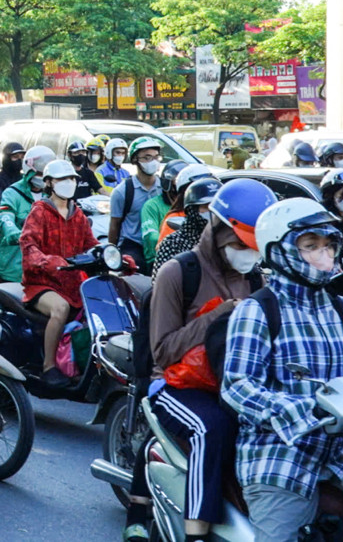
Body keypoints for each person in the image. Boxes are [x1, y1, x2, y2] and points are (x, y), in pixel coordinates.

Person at [223, 198, 343, 542]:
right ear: (280, 252)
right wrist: (301, 409)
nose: (323, 255)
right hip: (281, 454)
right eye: (310, 246)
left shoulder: (342, 309)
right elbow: (238, 385)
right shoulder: (257, 311)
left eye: (328, 245)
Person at [123, 178, 276, 542]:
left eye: (253, 247)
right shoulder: (179, 272)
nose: (247, 254)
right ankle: (195, 531)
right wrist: (217, 315)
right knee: (212, 427)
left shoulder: (254, 277)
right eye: (240, 244)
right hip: (176, 382)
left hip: (229, 380)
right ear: (220, 233)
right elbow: (163, 349)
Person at [20, 159, 99, 388]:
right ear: (49, 183)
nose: (69, 183)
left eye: (72, 178)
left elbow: (90, 244)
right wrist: (46, 261)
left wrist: (112, 256)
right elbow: (28, 244)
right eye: (62, 179)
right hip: (41, 284)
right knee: (60, 308)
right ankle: (49, 367)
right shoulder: (40, 212)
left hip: (72, 283)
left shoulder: (78, 214)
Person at [0, 145, 55, 282]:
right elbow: (5, 216)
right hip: (16, 258)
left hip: (47, 257)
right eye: (39, 173)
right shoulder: (13, 193)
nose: (43, 177)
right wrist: (15, 233)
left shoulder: (52, 194)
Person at [108, 137, 164, 272]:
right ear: (135, 160)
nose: (153, 162)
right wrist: (111, 255)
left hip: (159, 242)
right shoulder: (122, 192)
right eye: (147, 158)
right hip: (133, 244)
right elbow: (114, 224)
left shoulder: (165, 188)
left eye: (156, 157)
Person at [153, 177, 221, 277]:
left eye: (216, 207)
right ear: (192, 210)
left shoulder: (228, 242)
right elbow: (160, 283)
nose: (212, 212)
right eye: (206, 207)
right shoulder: (172, 243)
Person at [141, 160, 188, 268]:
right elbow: (151, 237)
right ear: (167, 183)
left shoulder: (192, 207)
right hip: (159, 260)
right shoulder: (151, 206)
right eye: (177, 180)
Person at [0, 141, 25, 210]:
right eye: (15, 157)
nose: (19, 160)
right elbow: (0, 203)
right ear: (7, 158)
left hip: (24, 218)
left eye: (22, 157)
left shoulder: (24, 178)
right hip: (1, 218)